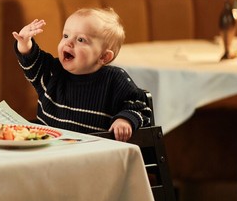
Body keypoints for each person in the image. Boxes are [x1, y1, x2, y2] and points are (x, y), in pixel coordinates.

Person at [12, 8, 151, 141]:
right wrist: (24, 42)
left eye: (81, 40)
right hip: (48, 150)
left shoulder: (114, 80)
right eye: (66, 35)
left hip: (91, 156)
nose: (69, 42)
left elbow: (139, 106)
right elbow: (32, 60)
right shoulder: (52, 72)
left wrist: (125, 120)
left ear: (104, 57)